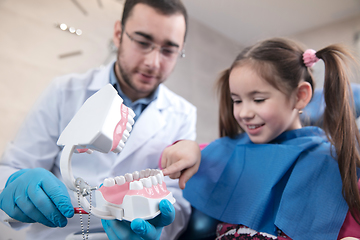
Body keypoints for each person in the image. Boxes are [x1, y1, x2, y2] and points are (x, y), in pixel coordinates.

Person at [0, 0, 196, 239]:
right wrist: (14, 186)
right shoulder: (65, 91)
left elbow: (178, 202)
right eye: (143, 42)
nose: (152, 62)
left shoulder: (184, 115)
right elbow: (15, 167)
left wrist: (155, 230)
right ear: (118, 34)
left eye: (168, 50)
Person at [162, 38, 360, 239]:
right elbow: (176, 158)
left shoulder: (332, 162)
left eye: (258, 100)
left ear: (300, 96)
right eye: (237, 101)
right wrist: (187, 147)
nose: (244, 112)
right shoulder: (231, 149)